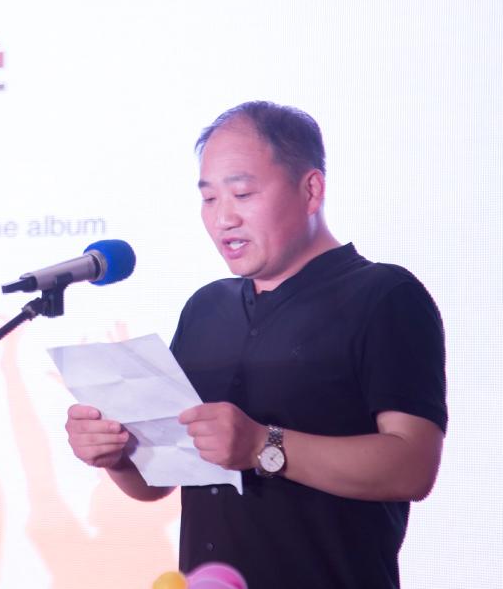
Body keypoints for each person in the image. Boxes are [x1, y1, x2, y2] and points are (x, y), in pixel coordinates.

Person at [65, 101, 447, 589]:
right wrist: (117, 455)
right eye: (209, 199)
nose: (223, 218)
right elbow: (158, 482)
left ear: (311, 190)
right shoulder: (206, 307)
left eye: (242, 194)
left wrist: (262, 445)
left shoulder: (385, 296)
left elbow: (413, 466)